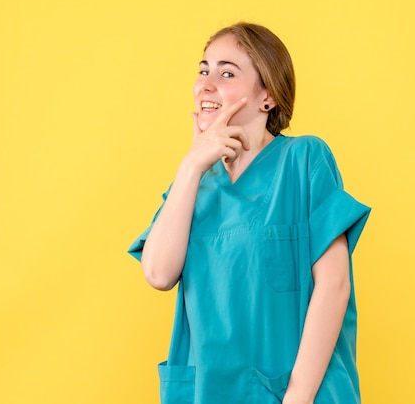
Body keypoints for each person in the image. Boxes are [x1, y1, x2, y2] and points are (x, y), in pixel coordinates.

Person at [128, 22, 371, 404]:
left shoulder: (304, 160)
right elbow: (158, 273)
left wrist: (298, 397)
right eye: (203, 69)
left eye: (226, 73)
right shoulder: (193, 186)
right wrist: (191, 165)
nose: (206, 84)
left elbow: (334, 285)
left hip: (299, 395)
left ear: (268, 97)